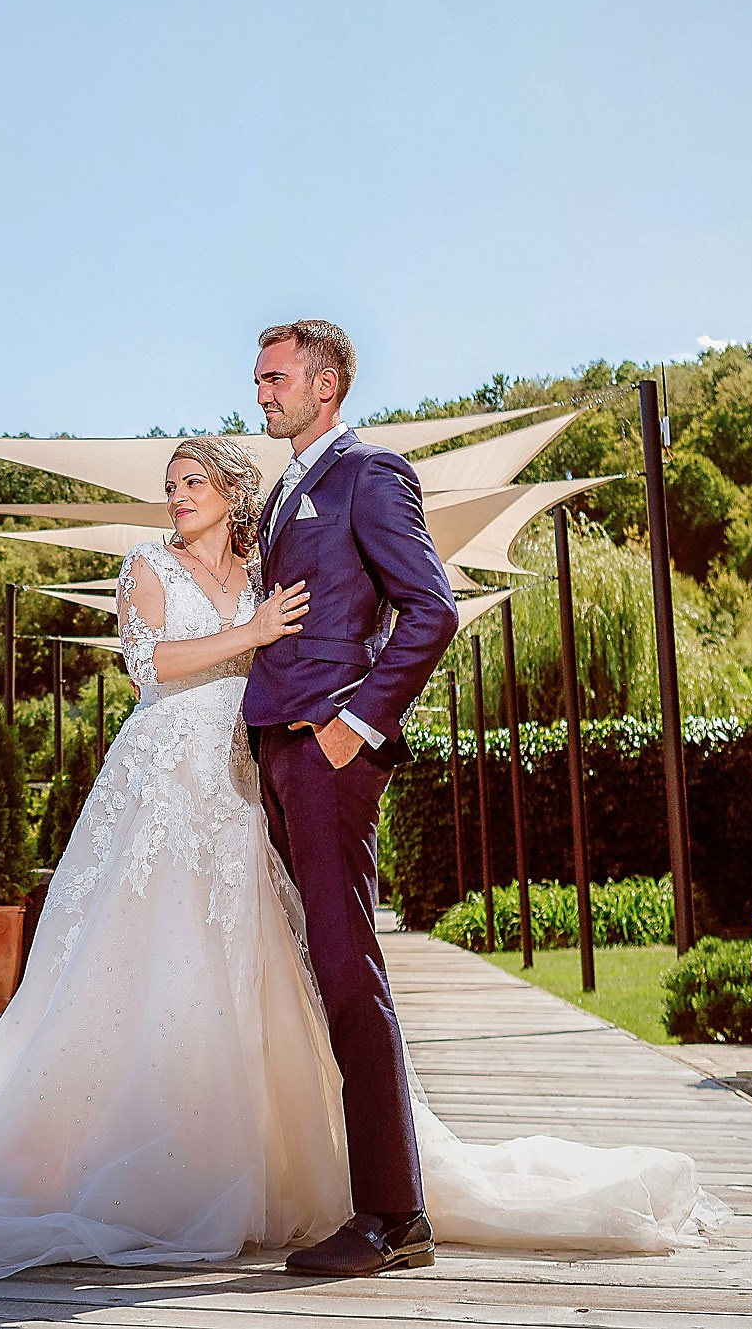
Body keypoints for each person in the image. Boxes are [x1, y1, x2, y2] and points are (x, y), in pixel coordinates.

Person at [0, 358, 725, 1282]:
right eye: (168, 483)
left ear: (234, 492)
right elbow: (147, 664)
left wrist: (343, 715)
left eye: (192, 481)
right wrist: (248, 633)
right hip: (164, 779)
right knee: (145, 967)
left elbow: (396, 609)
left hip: (248, 778)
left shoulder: (303, 525)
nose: (174, 495)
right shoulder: (153, 568)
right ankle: (147, 1166)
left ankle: (330, 1184)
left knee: (262, 969)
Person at [242, 319, 454, 1276]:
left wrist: (352, 725)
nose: (261, 392)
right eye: (258, 379)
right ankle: (377, 1199)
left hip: (330, 760)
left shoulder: (368, 476)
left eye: (275, 377)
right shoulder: (287, 490)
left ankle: (392, 1217)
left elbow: (432, 608)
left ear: (325, 384)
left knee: (347, 968)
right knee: (320, 972)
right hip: (281, 758)